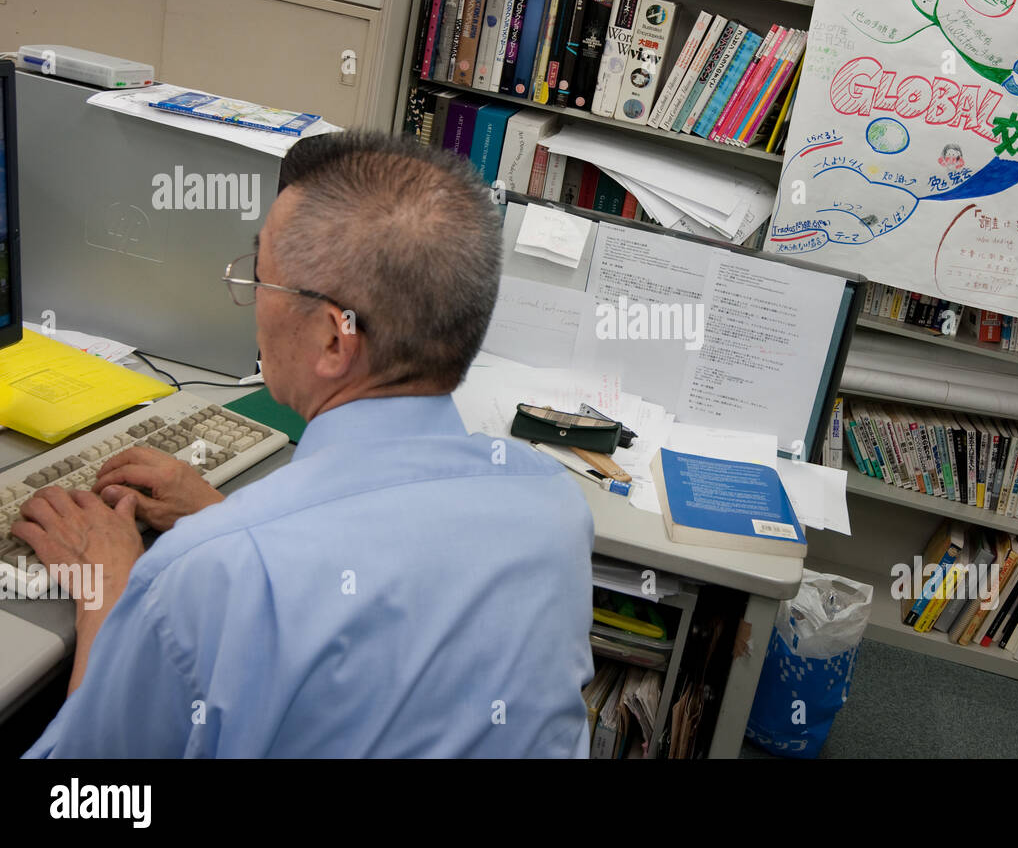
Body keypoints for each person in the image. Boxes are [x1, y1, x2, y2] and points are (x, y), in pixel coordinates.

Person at [15, 132, 595, 757]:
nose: (250, 301)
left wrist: (110, 592)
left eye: (262, 280)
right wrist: (226, 518)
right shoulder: (554, 506)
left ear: (333, 341)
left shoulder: (200, 579)